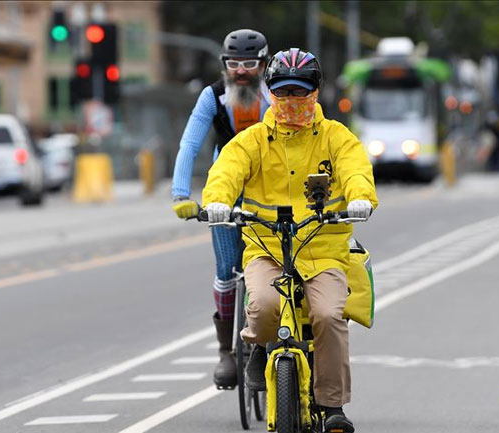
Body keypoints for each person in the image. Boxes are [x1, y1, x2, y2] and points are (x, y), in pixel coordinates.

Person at [202, 48, 378, 432]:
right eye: (283, 92)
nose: (291, 100)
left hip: (323, 251)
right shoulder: (252, 140)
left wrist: (361, 197)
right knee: (262, 306)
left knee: (328, 315)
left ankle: (332, 406)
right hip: (266, 250)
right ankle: (257, 348)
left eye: (300, 92)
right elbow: (226, 171)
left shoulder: (336, 137)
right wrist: (216, 202)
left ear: (316, 92)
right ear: (270, 92)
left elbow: (355, 169)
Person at [170, 29, 271, 389]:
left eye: (249, 63)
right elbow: (189, 144)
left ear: (264, 64)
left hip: (270, 191)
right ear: (223, 65)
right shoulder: (212, 97)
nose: (241, 71)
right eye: (233, 64)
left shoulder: (275, 95)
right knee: (227, 272)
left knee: (281, 267)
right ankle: (226, 351)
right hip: (225, 192)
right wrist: (181, 194)